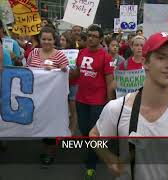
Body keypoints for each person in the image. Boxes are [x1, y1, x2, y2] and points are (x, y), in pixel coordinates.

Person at [89, 32, 168, 180]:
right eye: (161, 57)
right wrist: (110, 159)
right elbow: (94, 136)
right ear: (145, 63)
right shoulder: (117, 109)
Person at [70, 24, 115, 179]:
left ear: (101, 39)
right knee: (83, 130)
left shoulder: (106, 57)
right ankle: (94, 152)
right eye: (89, 35)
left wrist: (110, 104)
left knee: (93, 134)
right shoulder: (81, 53)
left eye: (94, 36)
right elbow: (76, 74)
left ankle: (92, 165)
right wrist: (62, 72)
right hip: (81, 99)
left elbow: (110, 82)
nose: (90, 38)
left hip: (98, 102)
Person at [26, 26, 69, 167]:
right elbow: (28, 71)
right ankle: (47, 146)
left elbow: (66, 71)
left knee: (52, 123)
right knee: (41, 121)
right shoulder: (33, 53)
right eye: (44, 39)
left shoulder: (60, 55)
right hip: (37, 96)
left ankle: (50, 151)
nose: (46, 42)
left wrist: (59, 69)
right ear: (39, 39)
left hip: (53, 98)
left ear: (54, 40)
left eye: (49, 39)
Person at [60, 31, 78, 135]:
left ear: (69, 41)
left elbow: (77, 70)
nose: (61, 42)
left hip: (73, 84)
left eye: (63, 40)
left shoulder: (77, 53)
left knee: (73, 109)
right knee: (63, 109)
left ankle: (71, 131)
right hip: (61, 84)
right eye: (60, 39)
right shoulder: (58, 52)